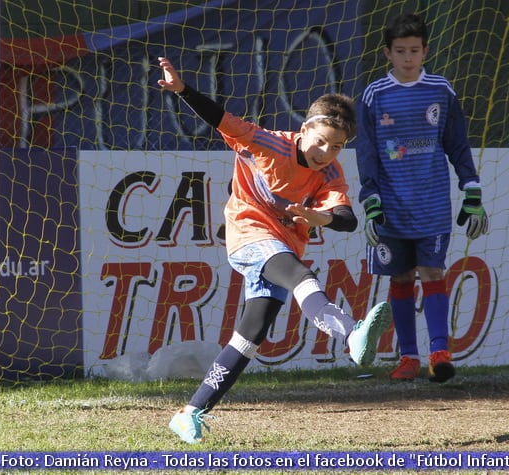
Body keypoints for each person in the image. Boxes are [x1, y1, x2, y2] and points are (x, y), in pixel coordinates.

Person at [157, 56, 392, 444]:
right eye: (320, 141)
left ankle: (189, 412)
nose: (325, 152)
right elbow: (219, 117)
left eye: (336, 147)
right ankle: (351, 334)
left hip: (281, 244)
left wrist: (321, 219)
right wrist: (182, 90)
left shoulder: (330, 173)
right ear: (303, 131)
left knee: (250, 337)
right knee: (300, 275)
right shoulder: (264, 142)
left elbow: (347, 218)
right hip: (248, 234)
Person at [355, 13, 489, 383]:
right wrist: (370, 197)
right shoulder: (374, 95)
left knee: (433, 272)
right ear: (387, 54)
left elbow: (457, 144)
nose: (408, 58)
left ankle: (439, 353)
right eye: (400, 51)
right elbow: (366, 151)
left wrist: (471, 187)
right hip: (391, 205)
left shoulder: (441, 90)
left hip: (431, 203)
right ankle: (408, 357)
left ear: (425, 51)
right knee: (400, 277)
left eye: (414, 50)